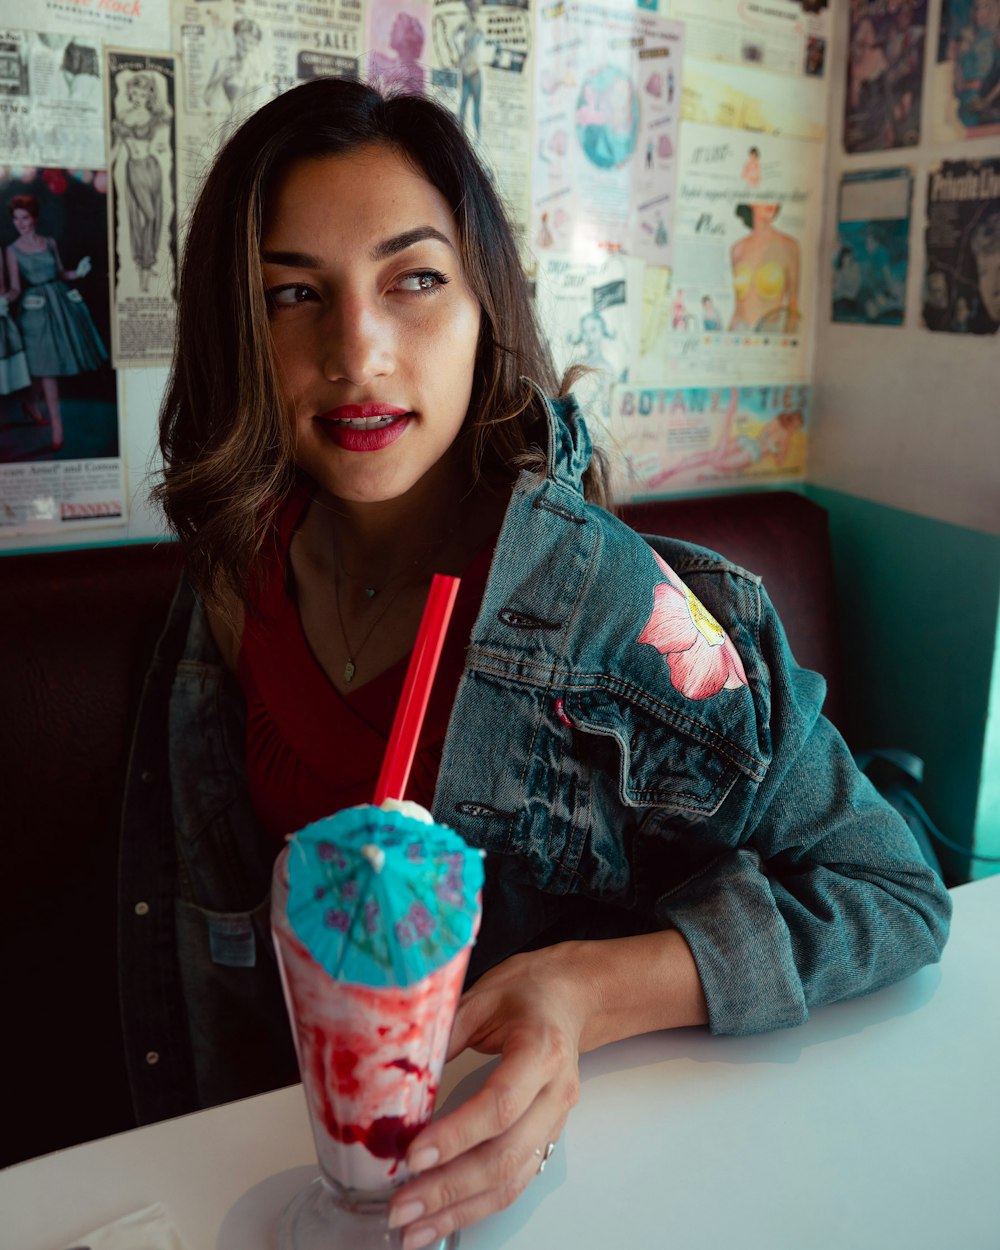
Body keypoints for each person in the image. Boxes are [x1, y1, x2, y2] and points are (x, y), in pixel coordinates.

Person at [127, 78, 950, 1248]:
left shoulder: (625, 609)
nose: (357, 348)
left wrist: (582, 990)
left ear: (484, 307)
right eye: (292, 292)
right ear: (238, 329)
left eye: (414, 278)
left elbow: (892, 888)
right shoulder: (233, 567)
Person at [4, 194, 107, 450]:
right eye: (16, 219)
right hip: (34, 311)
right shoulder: (12, 250)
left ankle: (30, 404)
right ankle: (57, 430)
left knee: (45, 366)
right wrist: (4, 299)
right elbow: (15, 288)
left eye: (25, 217)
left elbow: (61, 273)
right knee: (47, 370)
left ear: (34, 218)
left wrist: (79, 272)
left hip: (60, 306)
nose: (20, 223)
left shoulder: (49, 242)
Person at [110, 71, 172, 294]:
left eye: (144, 92)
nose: (139, 97)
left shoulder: (155, 116)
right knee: (144, 217)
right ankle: (143, 265)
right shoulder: (123, 117)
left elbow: (168, 114)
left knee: (154, 217)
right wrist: (104, 169)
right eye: (135, 93)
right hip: (134, 169)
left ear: (149, 94)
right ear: (130, 94)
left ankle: (147, 263)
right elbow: (117, 148)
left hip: (152, 168)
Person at [729, 203, 801, 332]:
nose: (770, 203)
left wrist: (788, 337)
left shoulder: (789, 246)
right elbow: (737, 306)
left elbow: (793, 303)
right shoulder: (737, 249)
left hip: (771, 331)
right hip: (739, 330)